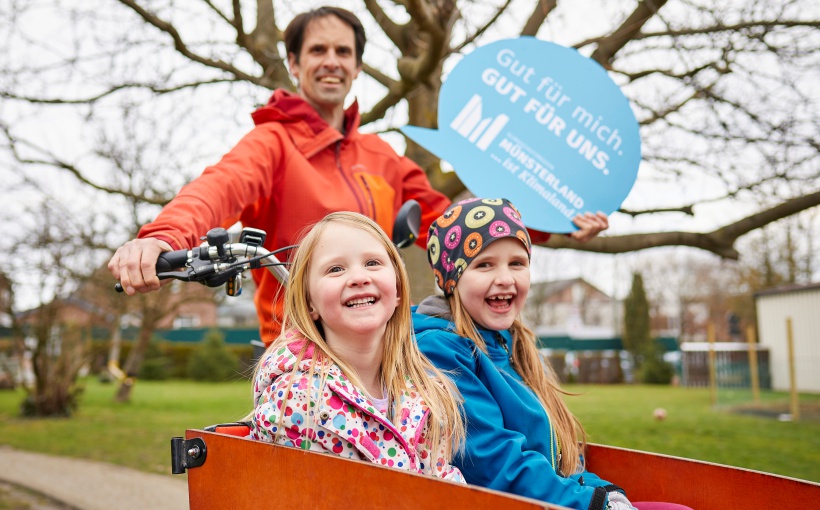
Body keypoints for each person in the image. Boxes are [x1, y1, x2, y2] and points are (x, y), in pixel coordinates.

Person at [107, 6, 608, 346]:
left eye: (343, 52)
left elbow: (455, 225)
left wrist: (549, 224)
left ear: (358, 67)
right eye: (318, 51)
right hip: (301, 349)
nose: (331, 62)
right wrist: (161, 238)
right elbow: (216, 189)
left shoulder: (382, 157)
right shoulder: (272, 144)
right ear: (295, 62)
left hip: (383, 348)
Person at [412, 198, 692, 510]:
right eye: (484, 264)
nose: (505, 278)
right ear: (452, 280)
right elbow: (493, 463)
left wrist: (603, 492)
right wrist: (594, 502)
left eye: (517, 263)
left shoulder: (511, 343)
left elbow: (560, 456)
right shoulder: (440, 349)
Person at [249, 211, 465, 482]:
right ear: (310, 303)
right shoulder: (297, 399)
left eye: (373, 263)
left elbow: (443, 481)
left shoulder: (425, 392)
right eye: (335, 269)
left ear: (397, 289)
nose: (359, 277)